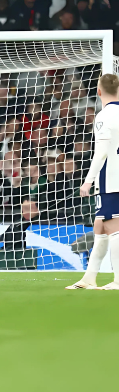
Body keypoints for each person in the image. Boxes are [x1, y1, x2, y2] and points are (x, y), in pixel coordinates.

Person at [68, 74, 119, 290]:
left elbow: (101, 154)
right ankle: (89, 278)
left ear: (98, 92)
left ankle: (118, 280)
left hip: (111, 178)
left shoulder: (104, 116)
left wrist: (88, 181)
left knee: (113, 226)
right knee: (100, 225)